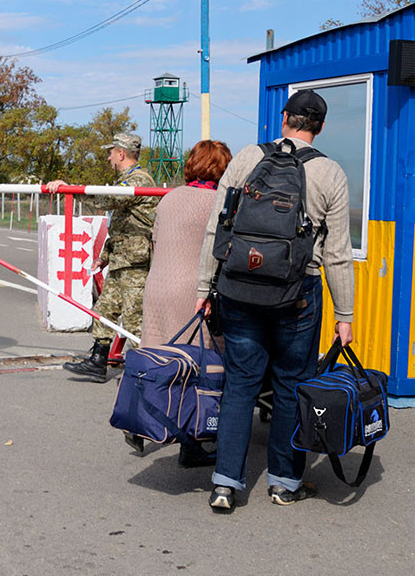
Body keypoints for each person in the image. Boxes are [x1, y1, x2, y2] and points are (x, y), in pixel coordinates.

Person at [195, 89, 354, 511]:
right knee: (291, 386)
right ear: (320, 126)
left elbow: (217, 227)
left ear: (284, 118)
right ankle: (284, 482)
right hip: (298, 294)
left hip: (239, 289)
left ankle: (225, 483)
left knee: (241, 384)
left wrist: (203, 289)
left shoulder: (248, 157)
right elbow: (337, 253)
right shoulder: (331, 173)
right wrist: (345, 315)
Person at [126, 139, 232, 461]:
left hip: (157, 286)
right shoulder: (219, 203)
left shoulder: (169, 199)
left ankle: (139, 424)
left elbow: (158, 241)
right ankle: (192, 443)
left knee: (156, 359)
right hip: (191, 292)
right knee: (196, 366)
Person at [47, 132, 158, 382]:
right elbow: (123, 225)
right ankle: (98, 361)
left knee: (132, 318)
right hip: (122, 259)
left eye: (111, 153)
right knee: (105, 309)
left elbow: (107, 200)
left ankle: (145, 373)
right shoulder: (128, 180)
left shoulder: (137, 180)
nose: (109, 158)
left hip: (135, 263)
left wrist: (70, 189)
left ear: (121, 153)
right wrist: (105, 256)